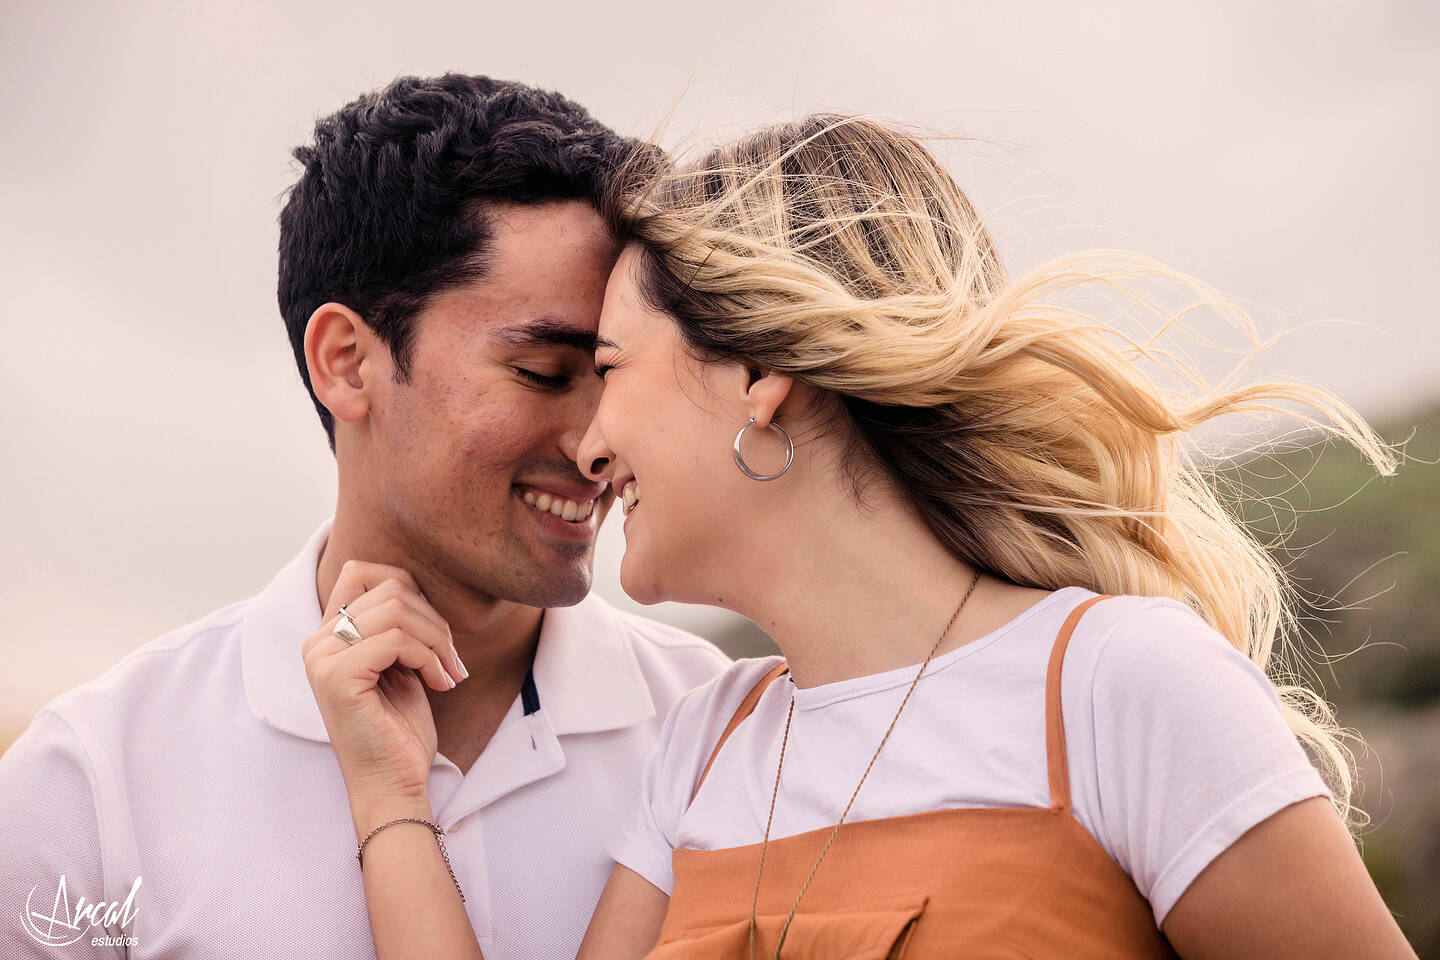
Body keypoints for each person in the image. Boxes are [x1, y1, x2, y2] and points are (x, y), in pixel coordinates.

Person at [303, 114, 1420, 958]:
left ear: (758, 372)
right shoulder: (707, 747)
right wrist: (393, 797)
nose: (590, 445)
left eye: (606, 371)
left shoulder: (1118, 686)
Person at [0, 74, 731, 959]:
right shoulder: (89, 786)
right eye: (544, 372)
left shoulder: (727, 738)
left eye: (614, 375)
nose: (598, 442)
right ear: (347, 362)